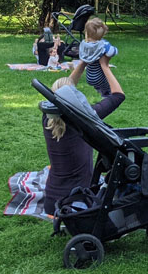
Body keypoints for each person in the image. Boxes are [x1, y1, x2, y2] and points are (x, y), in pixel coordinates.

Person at [42, 57, 124, 211]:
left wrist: (84, 62)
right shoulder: (84, 119)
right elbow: (118, 95)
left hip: (51, 201)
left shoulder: (48, 118)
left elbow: (64, 89)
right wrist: (104, 66)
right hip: (76, 201)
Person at [79, 17, 117, 96]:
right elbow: (111, 53)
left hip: (89, 77)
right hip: (99, 76)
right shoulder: (103, 44)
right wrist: (115, 50)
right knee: (108, 86)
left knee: (100, 87)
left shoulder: (85, 45)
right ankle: (107, 95)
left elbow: (81, 55)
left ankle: (102, 92)